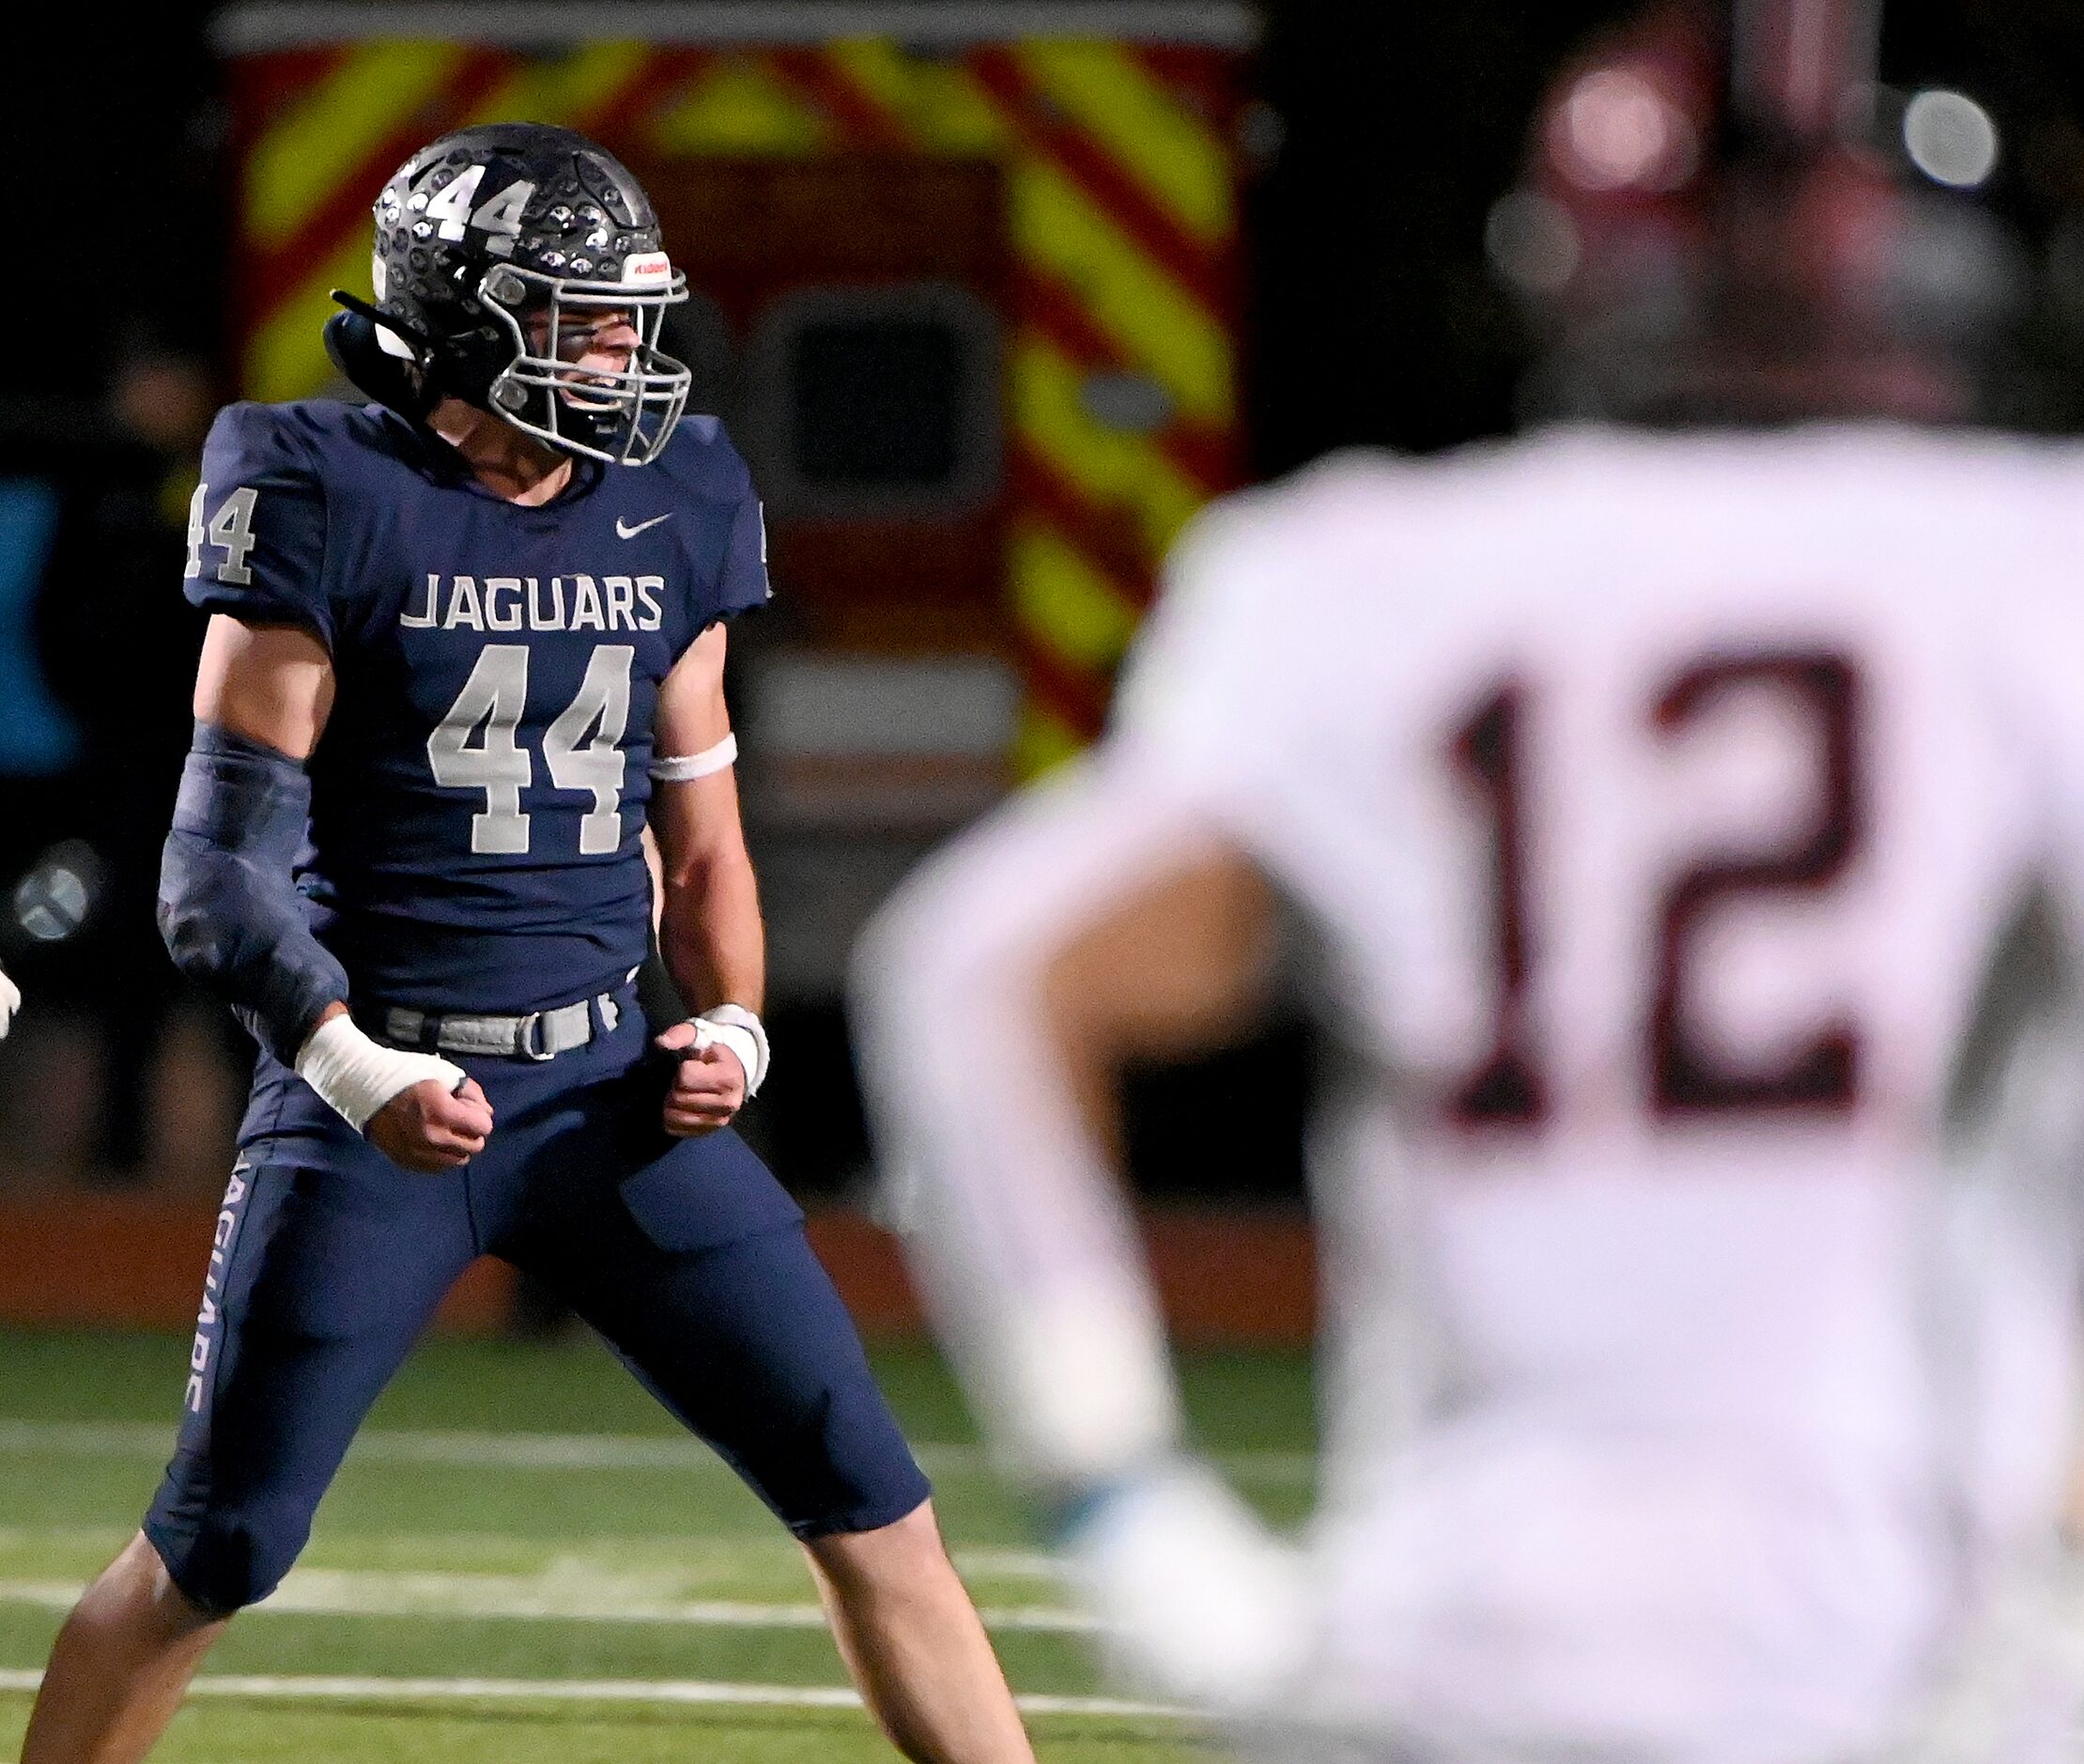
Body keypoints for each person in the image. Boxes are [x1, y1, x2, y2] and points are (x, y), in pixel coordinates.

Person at [853, 7, 2084, 1761]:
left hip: (1450, 1662)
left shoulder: (1357, 574)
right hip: (1914, 1665)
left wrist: (1132, 1517)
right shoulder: (2038, 566)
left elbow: (970, 974)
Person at [19, 123, 1034, 1764]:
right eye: (578, 317)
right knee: (214, 1548)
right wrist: (354, 1069)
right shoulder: (321, 489)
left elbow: (702, 831)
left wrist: (742, 1029)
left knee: (872, 1497)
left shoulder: (677, 495)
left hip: (608, 1086)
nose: (623, 351)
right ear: (465, 315)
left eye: (630, 316)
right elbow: (211, 877)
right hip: (379, 1101)